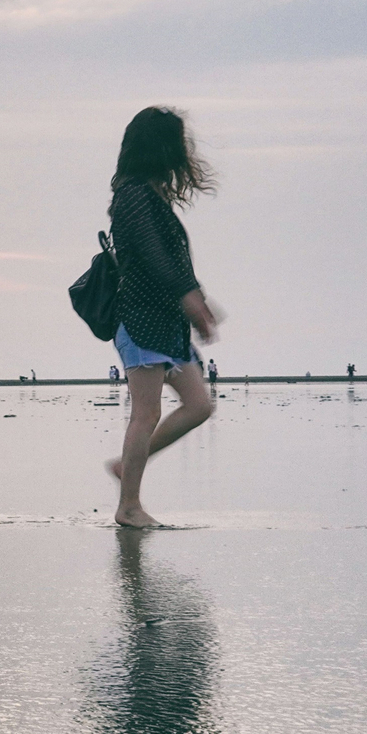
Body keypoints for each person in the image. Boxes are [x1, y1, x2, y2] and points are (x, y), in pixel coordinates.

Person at [101, 106, 221, 529]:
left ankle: (126, 467)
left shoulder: (150, 196)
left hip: (166, 322)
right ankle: (128, 505)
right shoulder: (133, 196)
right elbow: (154, 256)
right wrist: (192, 300)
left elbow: (172, 259)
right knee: (145, 413)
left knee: (199, 405)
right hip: (139, 320)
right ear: (160, 148)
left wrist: (196, 302)